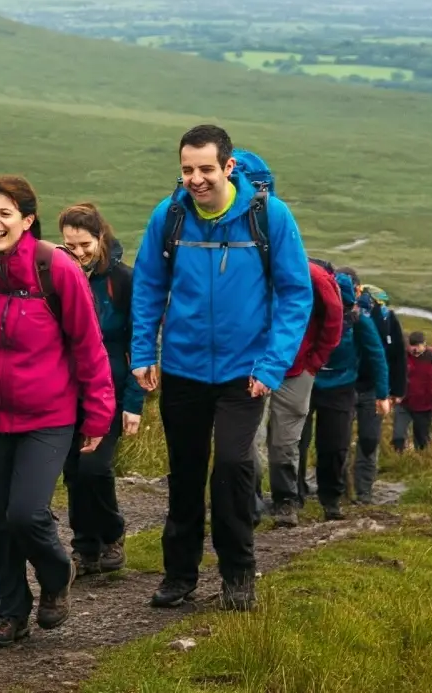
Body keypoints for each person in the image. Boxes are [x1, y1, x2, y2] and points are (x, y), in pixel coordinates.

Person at [130, 124, 312, 612]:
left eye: (206, 168)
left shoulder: (268, 216)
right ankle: (180, 575)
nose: (196, 178)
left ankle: (237, 575)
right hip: (185, 368)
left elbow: (296, 294)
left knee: (232, 466)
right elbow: (148, 285)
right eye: (187, 169)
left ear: (228, 167)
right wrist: (144, 351)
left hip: (244, 371)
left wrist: (272, 366)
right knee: (185, 471)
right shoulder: (168, 218)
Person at [0, 176, 114, 647]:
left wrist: (98, 413)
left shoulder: (56, 269)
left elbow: (88, 345)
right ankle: (10, 614)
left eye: (4, 213)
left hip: (48, 416)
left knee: (25, 513)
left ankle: (58, 575)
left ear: (27, 220)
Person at [58, 203, 146, 574]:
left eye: (85, 244)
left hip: (109, 389)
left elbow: (140, 341)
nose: (78, 253)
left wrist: (134, 402)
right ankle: (85, 547)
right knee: (74, 471)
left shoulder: (123, 281)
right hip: (63, 393)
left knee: (95, 467)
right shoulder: (56, 276)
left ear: (101, 238)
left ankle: (112, 533)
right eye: (70, 245)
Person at [260, 257, 344, 527]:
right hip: (252, 366)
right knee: (248, 438)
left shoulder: (315, 277)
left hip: (295, 370)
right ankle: (246, 499)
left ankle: (285, 501)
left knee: (285, 440)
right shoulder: (249, 263)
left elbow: (334, 318)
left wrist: (314, 362)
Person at [305, 270, 391, 521]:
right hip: (307, 380)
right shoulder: (311, 313)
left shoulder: (360, 321)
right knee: (294, 442)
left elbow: (377, 356)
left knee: (334, 446)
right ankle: (291, 495)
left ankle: (331, 499)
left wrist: (383, 394)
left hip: (341, 388)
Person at [337, 269, 408, 503]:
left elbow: (396, 354)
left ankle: (364, 492)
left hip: (372, 389)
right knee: (339, 440)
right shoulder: (333, 309)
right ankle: (340, 491)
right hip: (342, 386)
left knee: (369, 440)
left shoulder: (383, 315)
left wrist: (395, 391)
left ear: (358, 289)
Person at [396, 331, 432, 452]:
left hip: (425, 405)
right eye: (411, 345)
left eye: (417, 346)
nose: (414, 349)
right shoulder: (403, 355)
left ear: (424, 344)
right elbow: (394, 374)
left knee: (421, 440)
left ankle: (421, 462)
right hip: (404, 403)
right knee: (398, 437)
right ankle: (397, 462)